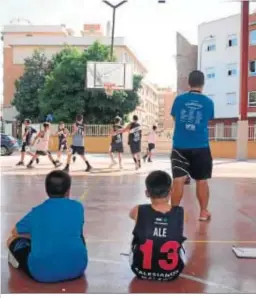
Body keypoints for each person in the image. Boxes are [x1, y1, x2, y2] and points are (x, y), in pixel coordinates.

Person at [7, 170, 88, 283]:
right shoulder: (78, 207)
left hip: (42, 273)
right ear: (68, 191)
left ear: (46, 190)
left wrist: (35, 235)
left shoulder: (37, 212)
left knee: (12, 240)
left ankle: (19, 260)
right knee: (78, 234)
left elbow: (15, 231)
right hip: (77, 268)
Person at [170, 70, 214, 221]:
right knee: (202, 180)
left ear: (189, 83)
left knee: (178, 180)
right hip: (200, 146)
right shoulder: (208, 102)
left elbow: (175, 117)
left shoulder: (179, 100)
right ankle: (203, 212)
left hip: (180, 146)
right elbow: (208, 119)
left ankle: (173, 214)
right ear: (203, 83)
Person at [129, 170, 186, 281]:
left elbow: (131, 216)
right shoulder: (181, 213)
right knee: (179, 238)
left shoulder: (138, 210)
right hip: (172, 273)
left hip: (140, 271)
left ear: (147, 193)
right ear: (171, 191)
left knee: (137, 233)